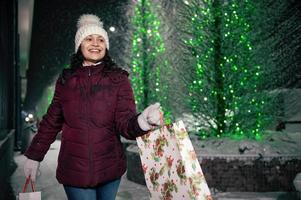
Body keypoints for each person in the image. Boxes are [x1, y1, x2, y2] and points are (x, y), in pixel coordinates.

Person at [23, 14, 163, 200]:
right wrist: (34, 156)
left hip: (109, 169)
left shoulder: (118, 79)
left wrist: (143, 121)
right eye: (89, 39)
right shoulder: (66, 80)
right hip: (74, 171)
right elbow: (50, 122)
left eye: (101, 40)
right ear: (79, 45)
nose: (95, 43)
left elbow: (125, 124)